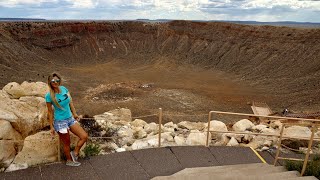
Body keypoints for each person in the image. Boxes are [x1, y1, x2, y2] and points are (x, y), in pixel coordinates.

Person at [45, 73, 88, 166]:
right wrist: (51, 127)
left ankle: (75, 153)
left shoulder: (64, 89)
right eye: (53, 81)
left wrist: (75, 113)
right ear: (50, 82)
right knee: (66, 143)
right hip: (60, 122)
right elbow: (49, 112)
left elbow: (70, 101)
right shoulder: (49, 96)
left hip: (70, 119)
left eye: (57, 80)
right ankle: (69, 161)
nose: (55, 82)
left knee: (84, 136)